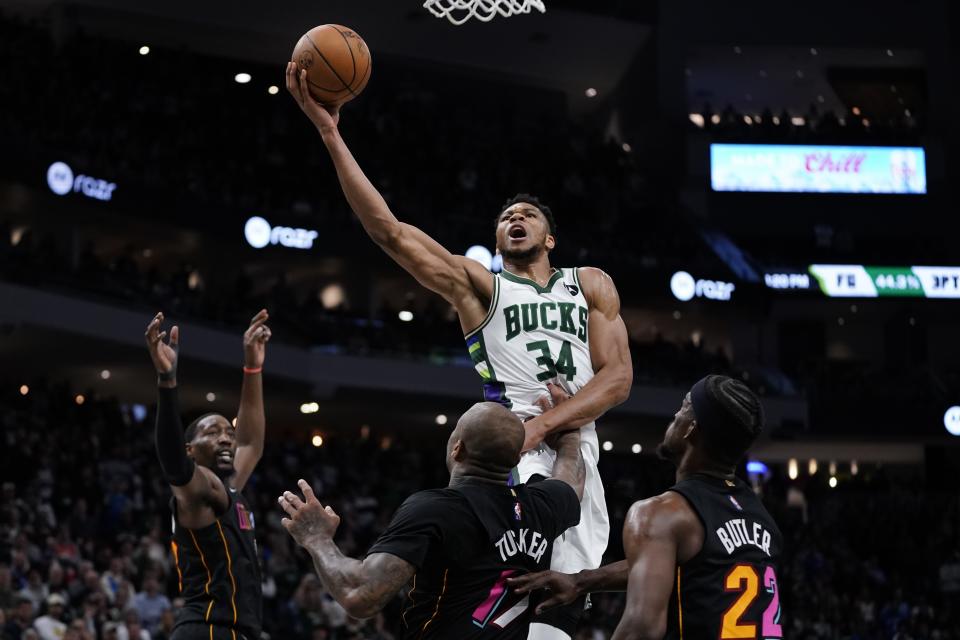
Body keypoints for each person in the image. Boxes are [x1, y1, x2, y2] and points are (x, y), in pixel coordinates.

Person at [286, 62, 633, 640]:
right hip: (507, 447)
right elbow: (390, 233)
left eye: (527, 215)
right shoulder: (481, 285)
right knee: (491, 586)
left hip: (569, 442)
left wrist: (550, 425)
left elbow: (618, 378)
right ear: (497, 241)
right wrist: (330, 133)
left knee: (565, 596)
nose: (514, 218)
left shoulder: (590, 282)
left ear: (550, 237)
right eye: (505, 217)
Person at [278, 398, 585, 639]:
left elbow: (360, 595)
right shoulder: (542, 505)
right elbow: (571, 476)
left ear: (457, 447)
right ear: (516, 459)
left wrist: (316, 539)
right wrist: (570, 424)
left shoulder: (435, 508)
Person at [508, 375, 784, 640]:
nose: (675, 415)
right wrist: (581, 582)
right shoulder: (762, 520)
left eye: (684, 406)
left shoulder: (661, 513)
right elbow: (671, 563)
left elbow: (642, 630)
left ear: (691, 428)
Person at [144, 310, 272, 640]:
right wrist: (167, 381)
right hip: (207, 630)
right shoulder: (200, 488)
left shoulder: (227, 489)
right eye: (213, 432)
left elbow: (251, 443)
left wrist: (253, 367)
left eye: (228, 431)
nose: (226, 437)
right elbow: (174, 466)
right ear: (191, 449)